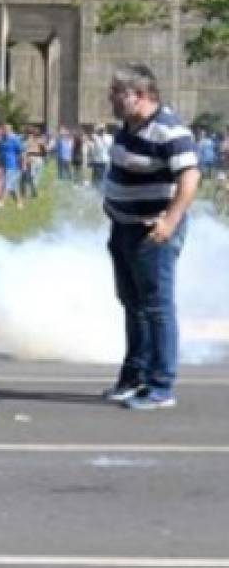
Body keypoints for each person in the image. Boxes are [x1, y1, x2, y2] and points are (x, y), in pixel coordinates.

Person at [101, 64, 198, 411]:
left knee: (157, 307)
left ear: (139, 95)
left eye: (116, 92)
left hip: (151, 231)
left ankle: (161, 385)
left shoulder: (169, 131)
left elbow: (190, 179)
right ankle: (134, 376)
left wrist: (169, 222)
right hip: (124, 227)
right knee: (133, 304)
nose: (110, 98)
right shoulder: (128, 128)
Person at [0, 124, 25, 210]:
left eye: (6, 130)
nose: (4, 131)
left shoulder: (15, 140)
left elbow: (21, 152)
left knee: (6, 183)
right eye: (3, 130)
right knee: (13, 186)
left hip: (12, 165)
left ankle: (1, 202)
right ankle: (19, 202)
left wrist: (23, 164)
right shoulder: (1, 140)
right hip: (3, 165)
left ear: (10, 130)